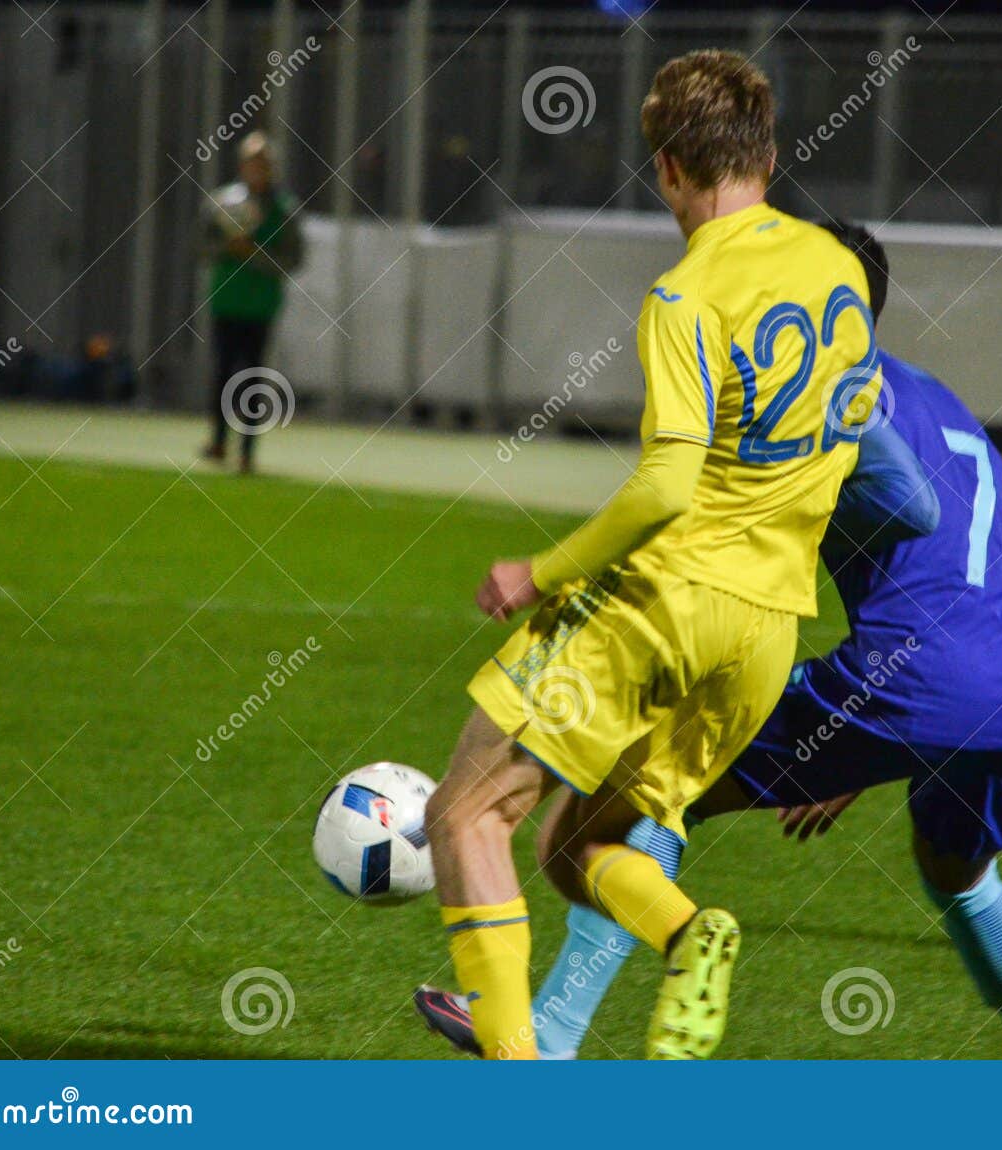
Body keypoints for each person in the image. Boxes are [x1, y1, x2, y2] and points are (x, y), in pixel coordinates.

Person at [420, 224, 1002, 1061]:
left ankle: (546, 1034)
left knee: (648, 798)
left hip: (911, 680)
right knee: (962, 877)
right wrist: (859, 742)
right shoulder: (948, 405)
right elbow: (943, 563)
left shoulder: (828, 397)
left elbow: (906, 516)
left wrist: (868, 716)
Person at [413, 51, 881, 1061]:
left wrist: (539, 573)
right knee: (581, 849)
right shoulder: (838, 270)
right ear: (768, 152)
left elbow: (670, 482)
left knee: (465, 816)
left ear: (668, 166)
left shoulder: (685, 293)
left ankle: (515, 1077)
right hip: (762, 633)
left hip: (663, 605)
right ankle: (689, 928)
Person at [200, 131, 303, 474]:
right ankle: (217, 441)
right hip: (226, 300)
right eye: (251, 162)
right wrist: (228, 246)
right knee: (221, 372)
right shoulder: (223, 203)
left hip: (261, 305)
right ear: (242, 166)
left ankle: (246, 450)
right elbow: (201, 248)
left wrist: (253, 253)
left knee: (253, 378)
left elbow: (293, 260)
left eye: (264, 163)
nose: (257, 169)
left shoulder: (284, 209)